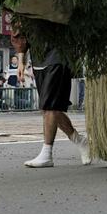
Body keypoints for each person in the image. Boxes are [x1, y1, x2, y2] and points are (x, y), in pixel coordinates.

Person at [14, 32, 91, 167]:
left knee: (51, 107)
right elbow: (19, 36)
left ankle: (47, 153)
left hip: (58, 56)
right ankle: (81, 141)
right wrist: (21, 62)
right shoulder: (20, 15)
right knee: (49, 108)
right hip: (38, 61)